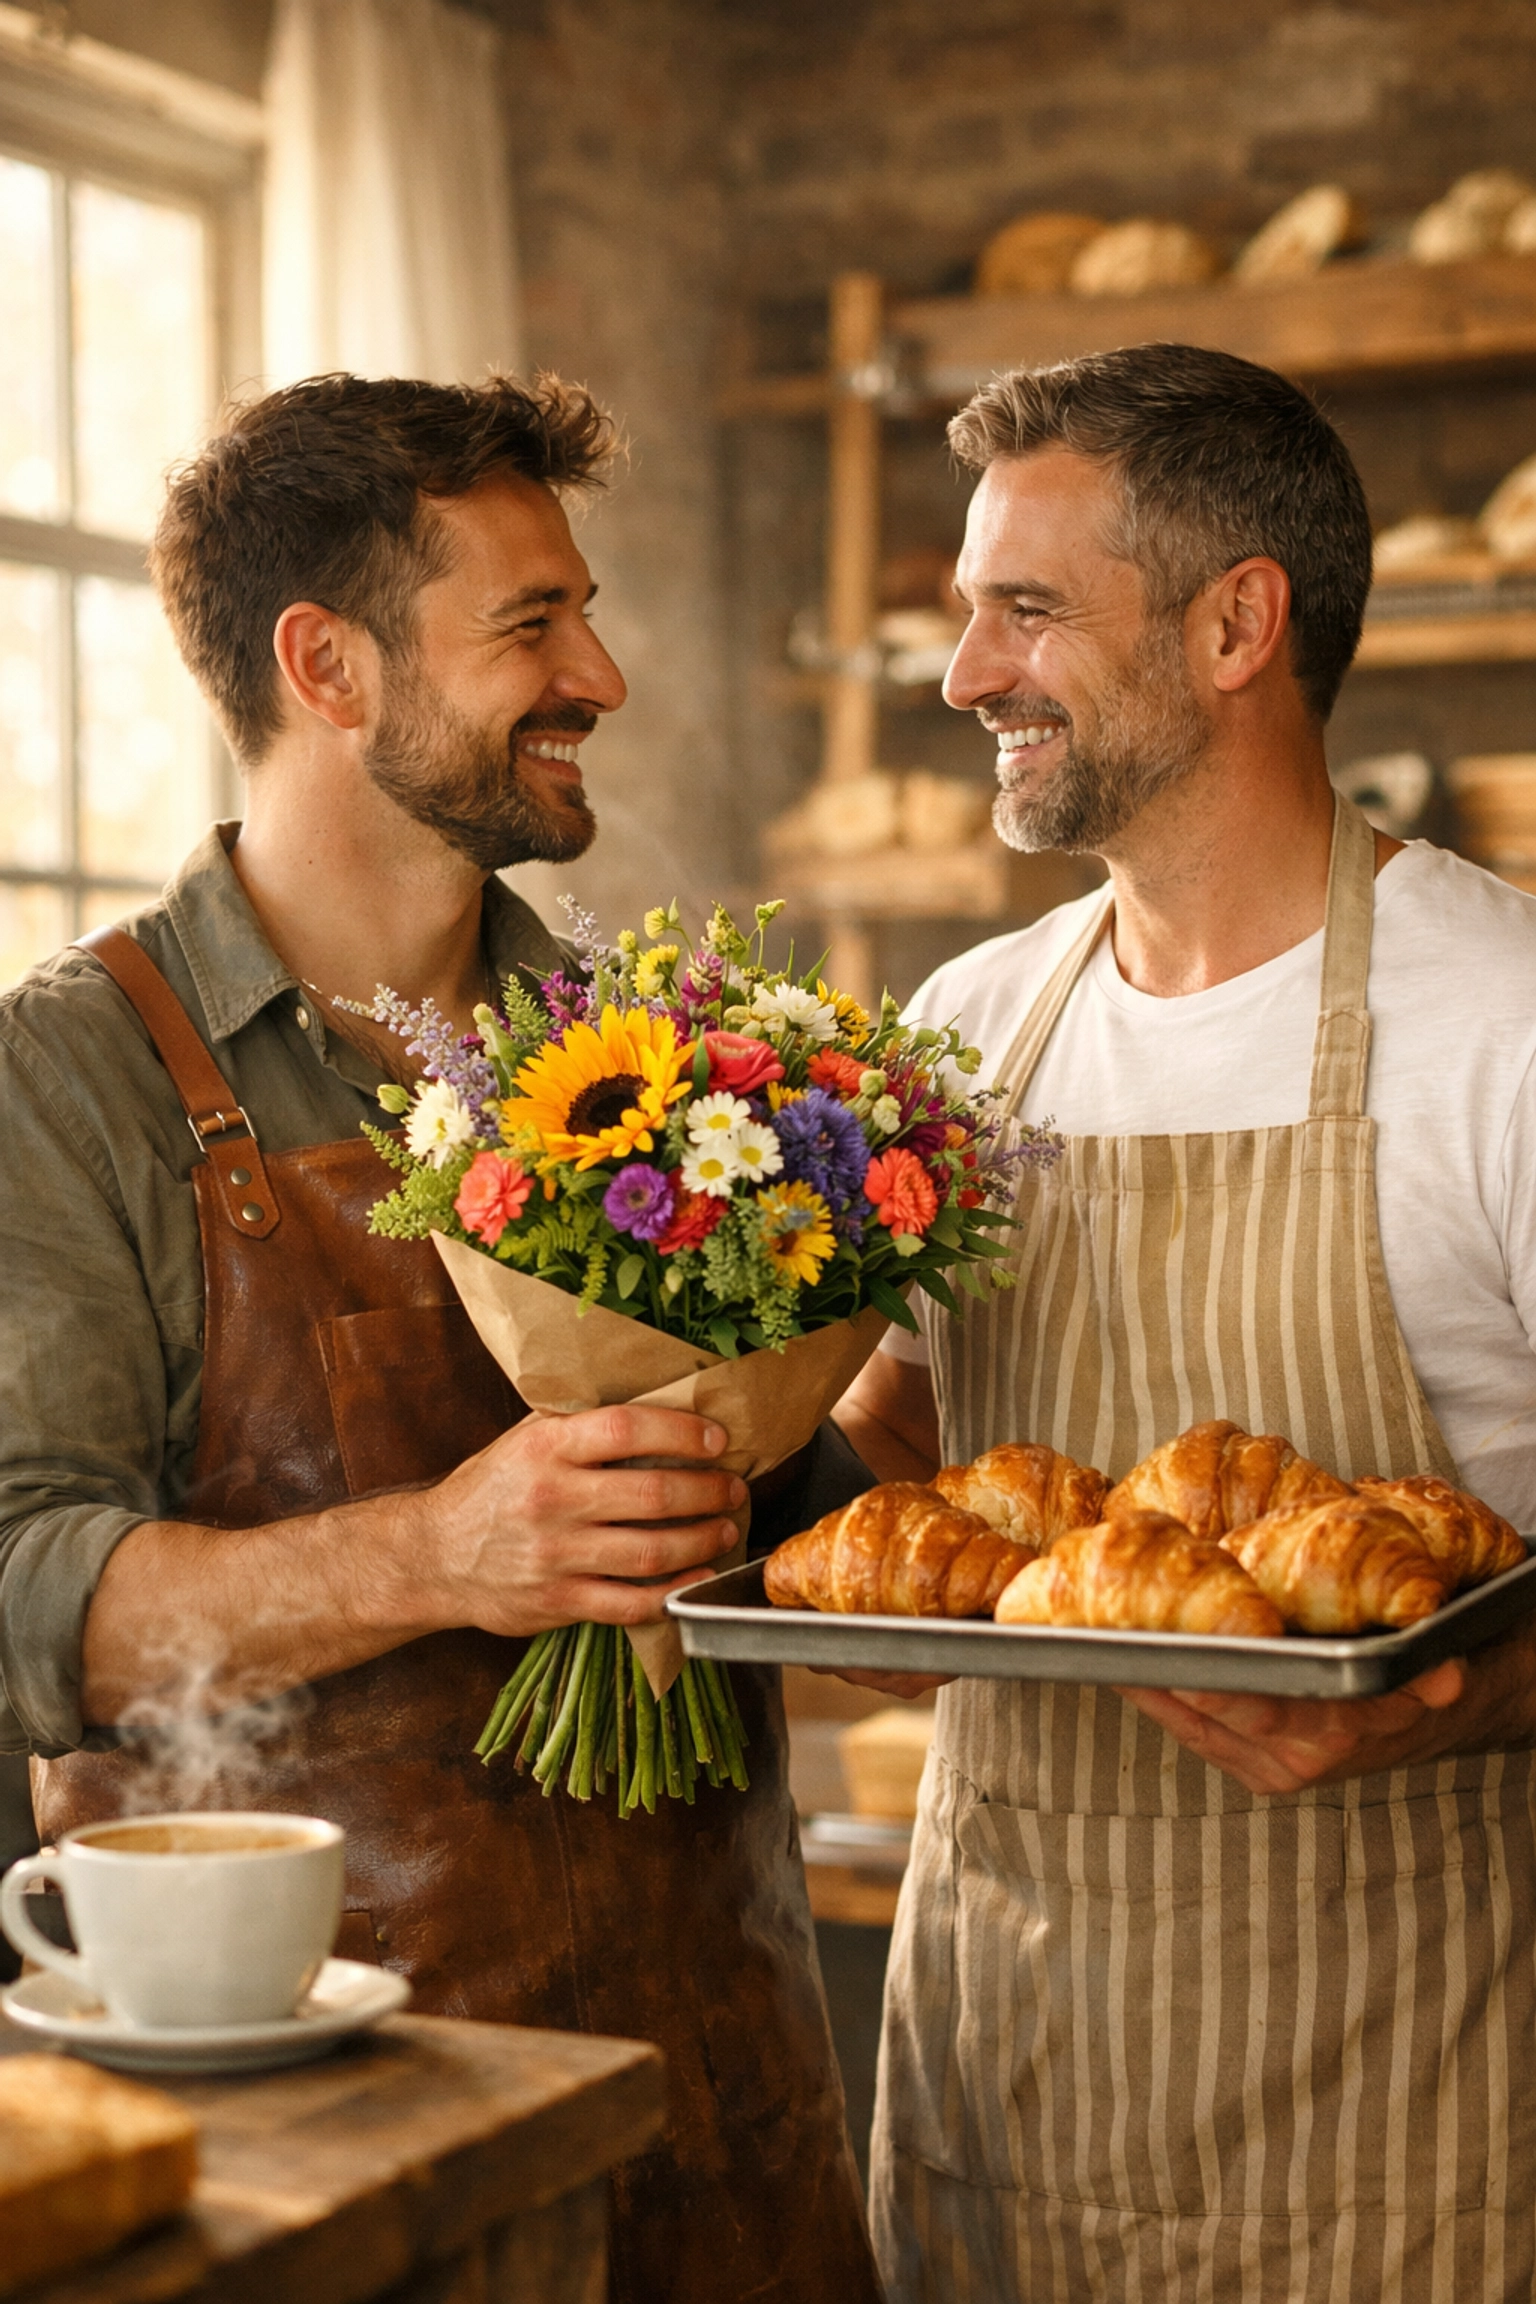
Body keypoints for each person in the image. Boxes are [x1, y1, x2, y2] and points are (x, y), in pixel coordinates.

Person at [0, 373, 881, 2304]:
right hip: (328, 2148)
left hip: (720, 2097)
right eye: (533, 625)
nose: (606, 675)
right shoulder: (70, 1073)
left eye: (588, 612)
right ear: (328, 666)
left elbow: (791, 1533)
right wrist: (444, 1552)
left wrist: (855, 1445)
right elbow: (29, 1600)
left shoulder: (656, 1061)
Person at [834, 343, 1536, 2303]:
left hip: (1402, 2132)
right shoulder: (972, 1029)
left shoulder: (1504, 1026)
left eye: (1025, 610)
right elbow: (906, 1450)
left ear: (1240, 625)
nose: (964, 673)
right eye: (969, 612)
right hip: (1008, 2098)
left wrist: (1460, 1701)